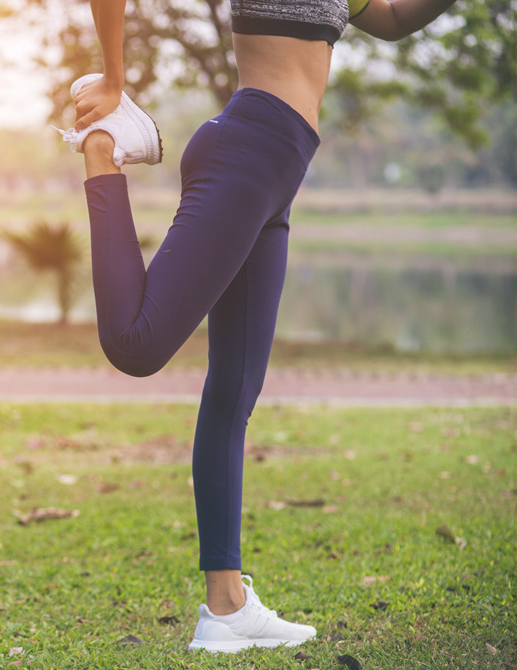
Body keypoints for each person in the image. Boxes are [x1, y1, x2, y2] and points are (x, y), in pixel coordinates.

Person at [58, 0, 458, 655]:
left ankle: (227, 609)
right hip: (249, 151)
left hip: (276, 167)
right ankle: (103, 144)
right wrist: (113, 78)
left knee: (235, 387)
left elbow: (386, 17)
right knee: (136, 343)